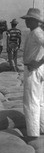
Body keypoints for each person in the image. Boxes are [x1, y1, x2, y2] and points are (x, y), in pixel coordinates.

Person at [20, 8, 44, 140]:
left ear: (35, 21)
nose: (26, 22)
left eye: (29, 19)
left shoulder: (37, 33)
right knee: (40, 101)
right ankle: (41, 127)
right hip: (37, 69)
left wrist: (38, 63)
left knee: (31, 101)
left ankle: (33, 134)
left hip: (33, 70)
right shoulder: (36, 32)